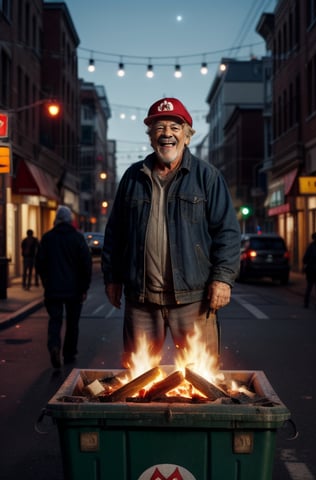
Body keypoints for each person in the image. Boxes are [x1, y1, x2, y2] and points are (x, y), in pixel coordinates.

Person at [102, 97, 241, 368]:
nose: (167, 134)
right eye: (159, 127)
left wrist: (223, 279)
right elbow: (115, 233)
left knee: (200, 380)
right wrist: (112, 277)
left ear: (187, 136)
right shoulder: (132, 177)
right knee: (137, 378)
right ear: (151, 137)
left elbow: (227, 232)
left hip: (194, 300)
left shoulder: (207, 177)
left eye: (175, 128)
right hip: (141, 299)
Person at [36, 206, 92, 368]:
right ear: (70, 220)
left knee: (55, 320)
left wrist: (46, 282)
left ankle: (54, 346)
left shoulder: (47, 238)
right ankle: (69, 353)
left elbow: (40, 263)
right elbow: (86, 265)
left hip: (53, 289)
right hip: (74, 290)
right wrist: (84, 288)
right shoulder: (78, 238)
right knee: (72, 323)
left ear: (57, 220)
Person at [302, 232, 316, 310]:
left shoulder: (310, 247)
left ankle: (307, 303)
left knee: (310, 287)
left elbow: (305, 259)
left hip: (312, 270)